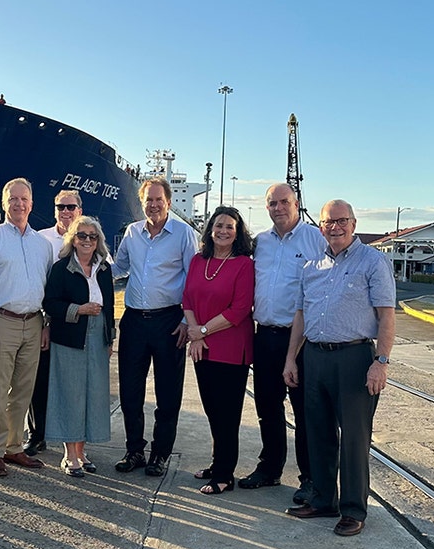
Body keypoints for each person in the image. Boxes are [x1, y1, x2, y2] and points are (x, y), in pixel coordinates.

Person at [284, 199, 396, 537]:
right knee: (316, 431)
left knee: (354, 439)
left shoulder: (373, 262)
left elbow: (386, 316)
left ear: (353, 223)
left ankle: (352, 509)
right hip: (315, 356)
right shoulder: (311, 266)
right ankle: (322, 500)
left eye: (341, 220)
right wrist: (291, 358)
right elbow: (300, 317)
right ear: (320, 227)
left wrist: (381, 363)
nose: (335, 227)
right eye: (328, 222)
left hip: (354, 358)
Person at [241, 184, 326, 502]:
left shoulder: (315, 240)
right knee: (267, 406)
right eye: (272, 203)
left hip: (301, 339)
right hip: (265, 336)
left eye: (284, 202)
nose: (278, 208)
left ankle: (310, 477)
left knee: (305, 412)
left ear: (297, 203)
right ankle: (270, 468)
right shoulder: (260, 242)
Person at [0, 178, 55, 477]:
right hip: (0, 322)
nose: (19, 204)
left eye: (24, 199)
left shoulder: (42, 245)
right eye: (13, 199)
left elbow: (46, 288)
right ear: (4, 203)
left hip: (32, 323)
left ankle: (14, 446)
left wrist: (45, 323)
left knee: (22, 391)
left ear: (32, 204)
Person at [112, 177, 198, 477]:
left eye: (158, 199)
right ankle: (134, 449)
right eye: (148, 199)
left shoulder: (184, 234)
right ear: (142, 202)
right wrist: (85, 267)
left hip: (169, 322)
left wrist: (188, 321)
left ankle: (159, 454)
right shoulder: (132, 232)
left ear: (169, 202)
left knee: (168, 393)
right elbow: (119, 267)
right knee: (130, 392)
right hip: (135, 321)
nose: (153, 205)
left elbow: (193, 279)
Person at [183, 206, 255, 495]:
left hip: (231, 347)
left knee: (227, 413)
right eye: (219, 225)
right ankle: (217, 463)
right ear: (210, 229)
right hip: (203, 347)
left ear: (237, 233)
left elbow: (239, 309)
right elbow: (187, 298)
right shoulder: (198, 261)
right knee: (212, 410)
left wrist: (201, 331)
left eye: (230, 227)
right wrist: (196, 335)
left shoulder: (243, 264)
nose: (223, 231)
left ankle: (225, 474)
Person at [43, 216, 115, 477]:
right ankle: (69, 454)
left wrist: (110, 339)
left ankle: (82, 451)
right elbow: (50, 303)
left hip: (98, 337)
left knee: (92, 395)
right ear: (72, 239)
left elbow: (108, 308)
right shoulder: (62, 268)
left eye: (92, 237)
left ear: (98, 242)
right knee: (70, 394)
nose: (86, 240)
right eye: (81, 235)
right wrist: (78, 309)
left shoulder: (104, 270)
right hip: (70, 337)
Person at [24, 189, 84, 456]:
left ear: (79, 210)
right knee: (40, 381)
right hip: (50, 320)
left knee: (74, 385)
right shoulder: (41, 240)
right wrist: (45, 323)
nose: (66, 211)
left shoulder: (89, 237)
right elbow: (37, 283)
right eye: (61, 207)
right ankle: (37, 435)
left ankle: (75, 443)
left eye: (71, 206)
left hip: (80, 324)